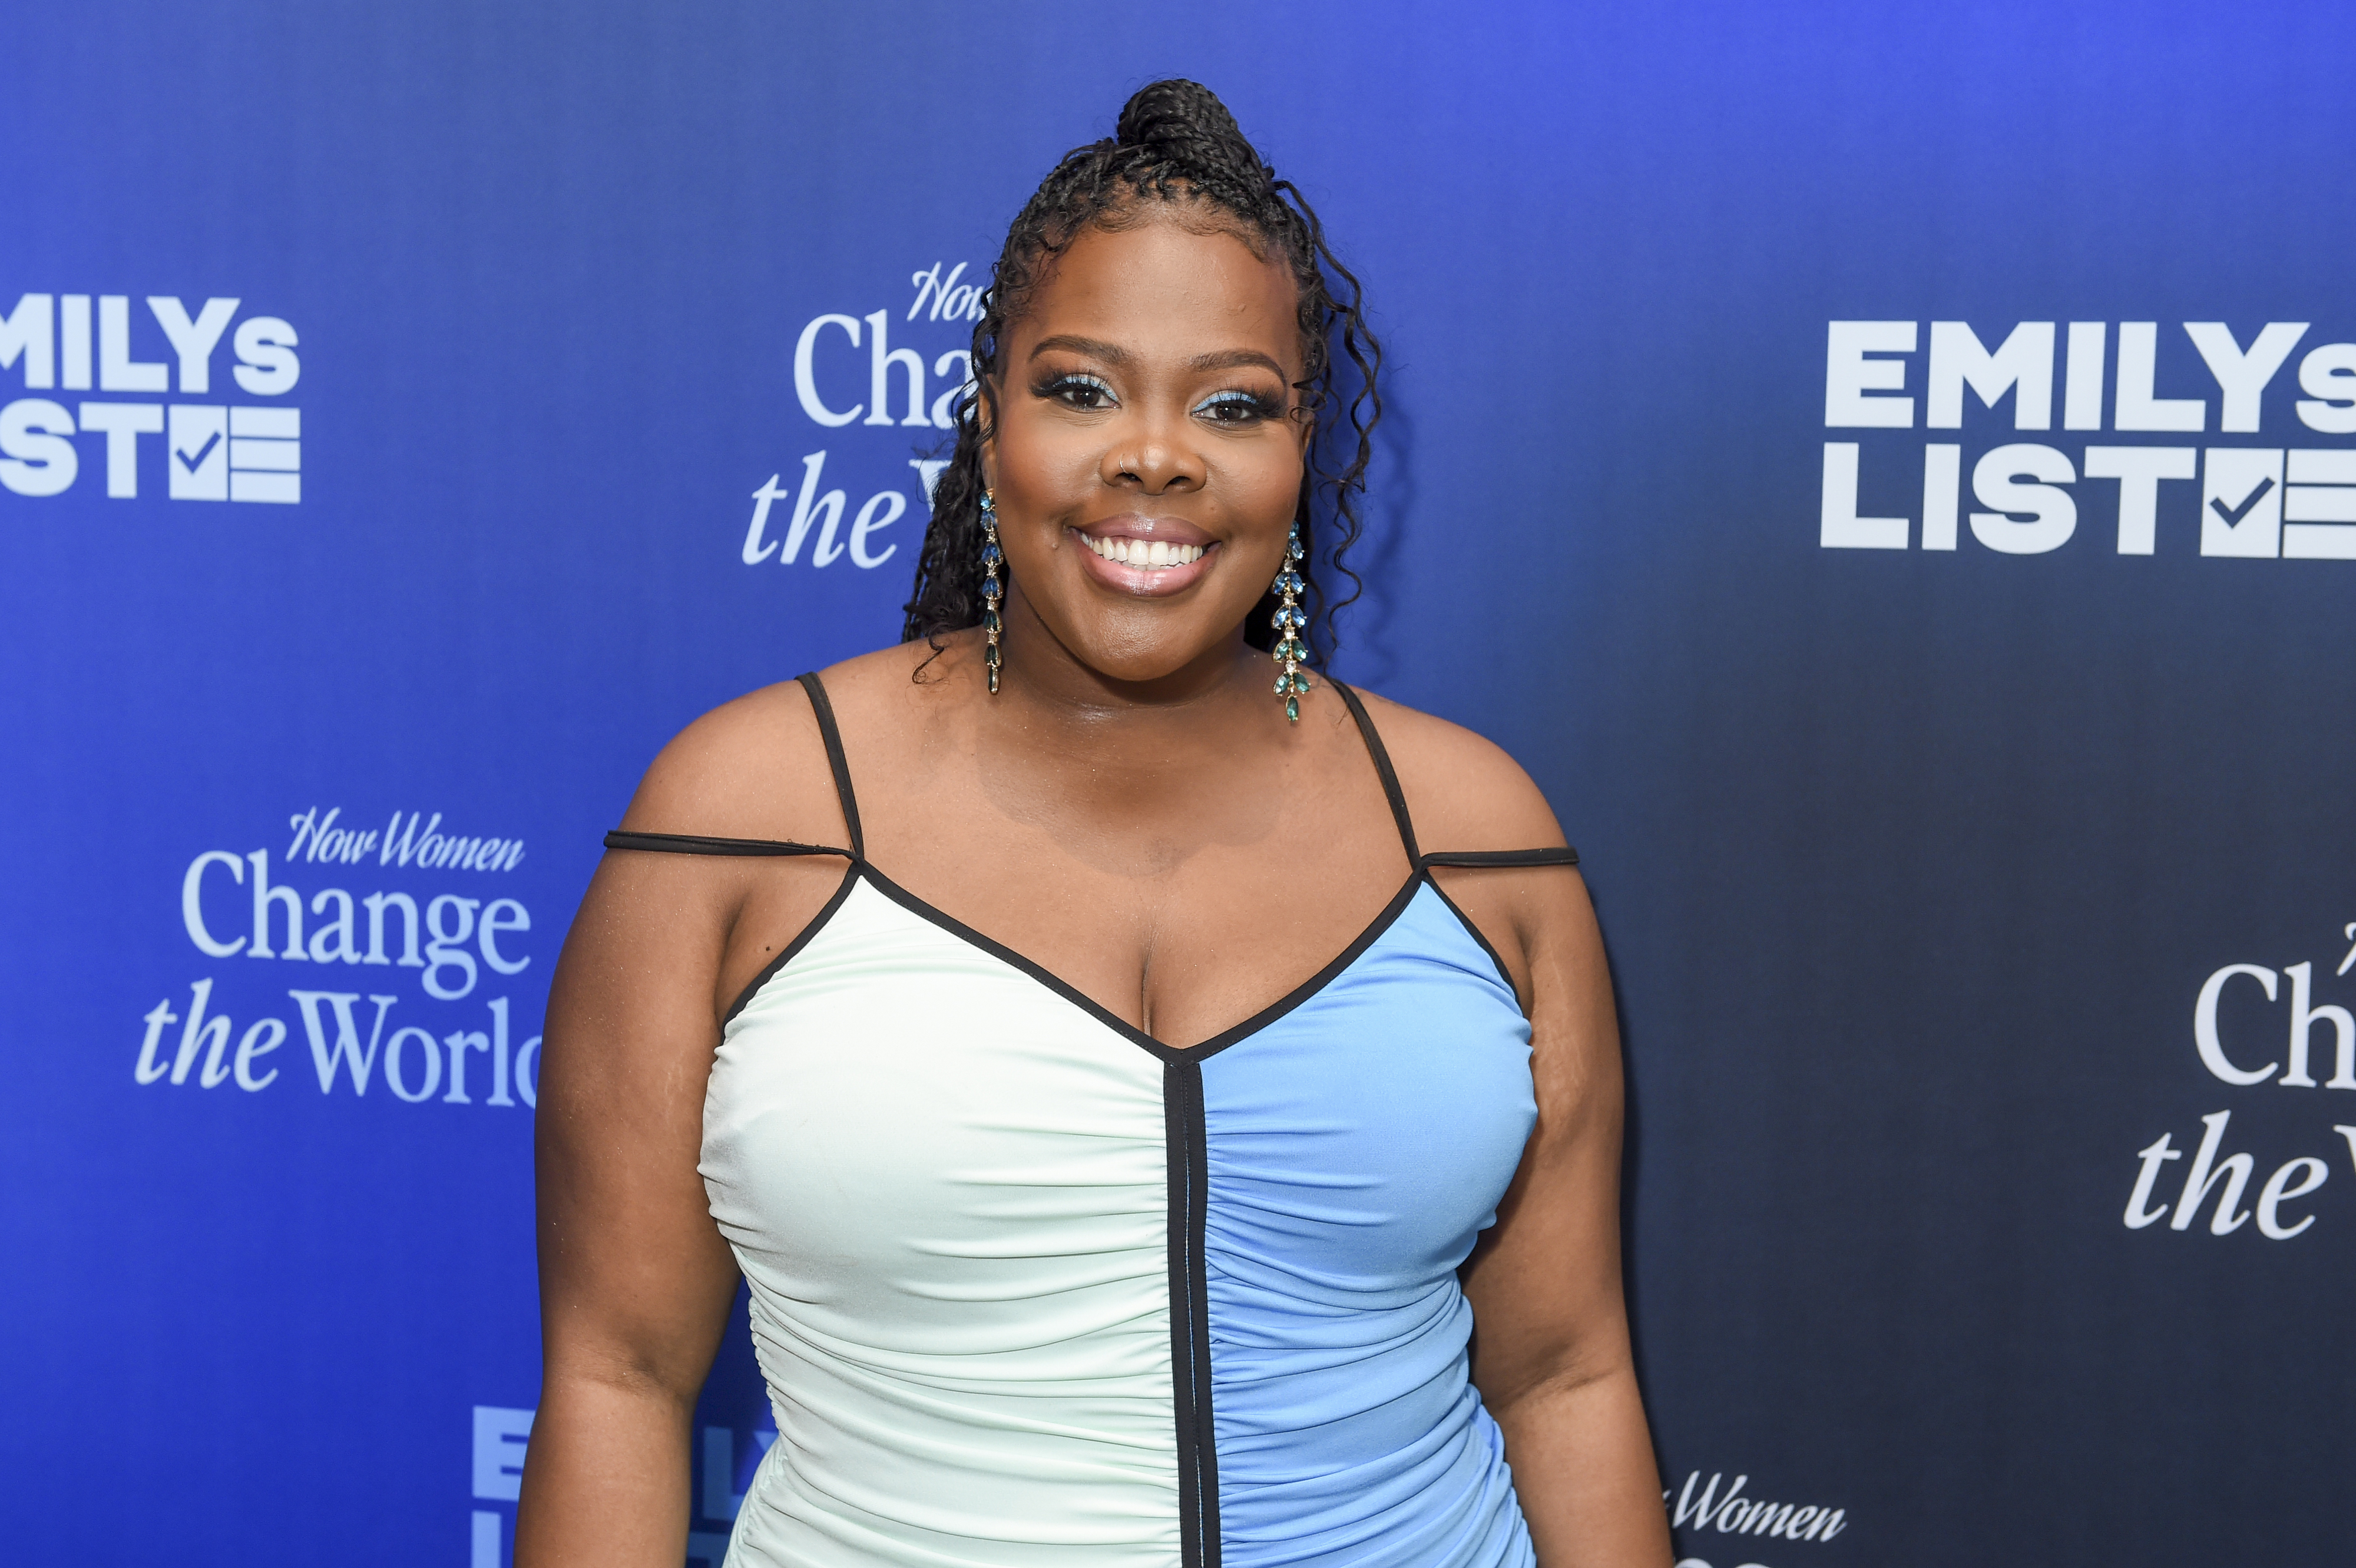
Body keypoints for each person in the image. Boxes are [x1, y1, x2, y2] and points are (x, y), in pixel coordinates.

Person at [518, 78, 1672, 1568]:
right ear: (988, 419)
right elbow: (618, 1374)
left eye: (1231, 403)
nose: (1155, 455)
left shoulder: (1479, 836)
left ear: (1300, 447)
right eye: (1080, 387)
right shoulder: (740, 816)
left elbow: (1565, 1373)